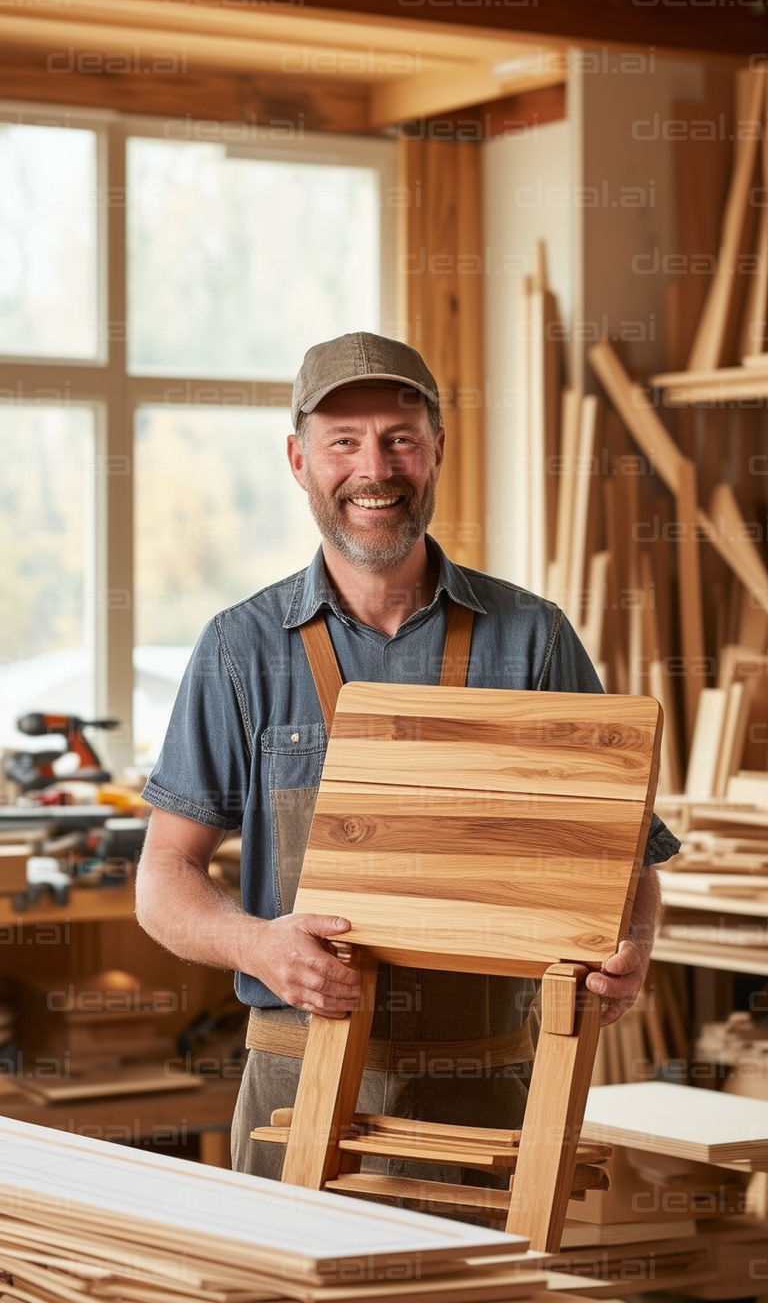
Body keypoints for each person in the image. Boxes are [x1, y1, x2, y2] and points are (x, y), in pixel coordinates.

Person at [136, 331, 679, 1179]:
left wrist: (632, 950)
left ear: (436, 452)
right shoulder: (240, 649)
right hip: (294, 1088)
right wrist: (259, 946)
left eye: (399, 439)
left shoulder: (532, 640)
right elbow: (163, 877)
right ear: (298, 459)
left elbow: (630, 860)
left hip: (489, 1095)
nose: (373, 469)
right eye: (342, 442)